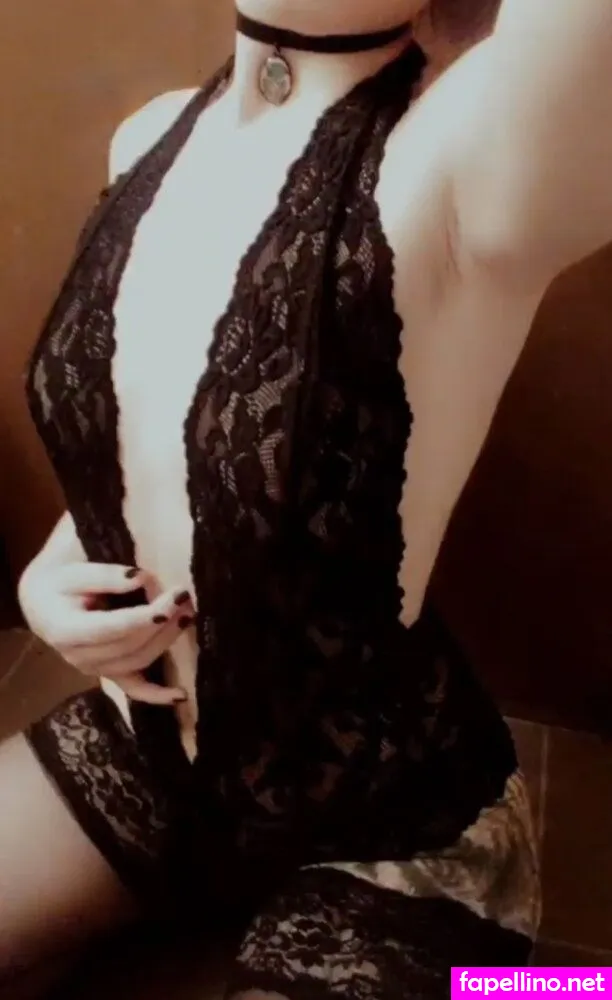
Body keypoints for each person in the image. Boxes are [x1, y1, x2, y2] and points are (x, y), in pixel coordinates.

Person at [2, 0, 611, 994]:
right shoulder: (147, 137)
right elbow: (149, 453)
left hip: (393, 816)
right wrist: (51, 574)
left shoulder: (484, 150)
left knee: (564, 986)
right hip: (154, 754)